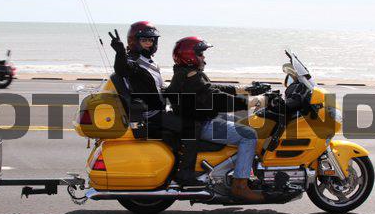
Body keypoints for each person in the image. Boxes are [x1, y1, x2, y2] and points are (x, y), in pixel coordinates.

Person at [166, 36, 264, 202]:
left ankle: (241, 168)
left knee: (242, 121)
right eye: (200, 54)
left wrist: (245, 89)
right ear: (190, 56)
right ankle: (240, 185)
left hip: (198, 119)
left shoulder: (186, 74)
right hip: (202, 123)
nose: (204, 58)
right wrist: (253, 101)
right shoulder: (191, 78)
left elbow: (213, 88)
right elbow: (218, 99)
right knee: (248, 135)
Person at [109, 22, 200, 187]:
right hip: (150, 114)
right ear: (134, 41)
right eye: (144, 40)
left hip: (158, 109)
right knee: (192, 128)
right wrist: (119, 52)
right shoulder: (133, 62)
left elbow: (159, 88)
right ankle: (185, 175)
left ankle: (178, 166)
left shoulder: (149, 62)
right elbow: (122, 69)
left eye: (151, 40)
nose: (149, 43)